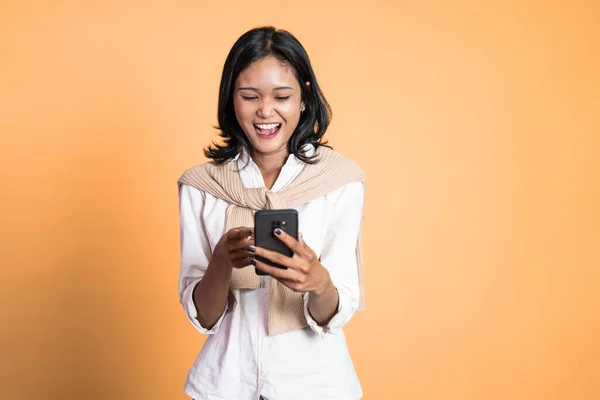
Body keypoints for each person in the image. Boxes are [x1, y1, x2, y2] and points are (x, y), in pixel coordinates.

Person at [177, 26, 366, 400]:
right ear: (231, 99)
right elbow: (203, 317)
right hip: (225, 384)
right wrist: (221, 261)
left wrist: (318, 281)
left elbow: (337, 309)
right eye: (249, 96)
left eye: (282, 96)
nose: (266, 111)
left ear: (304, 99)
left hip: (316, 384)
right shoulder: (202, 186)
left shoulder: (340, 181)